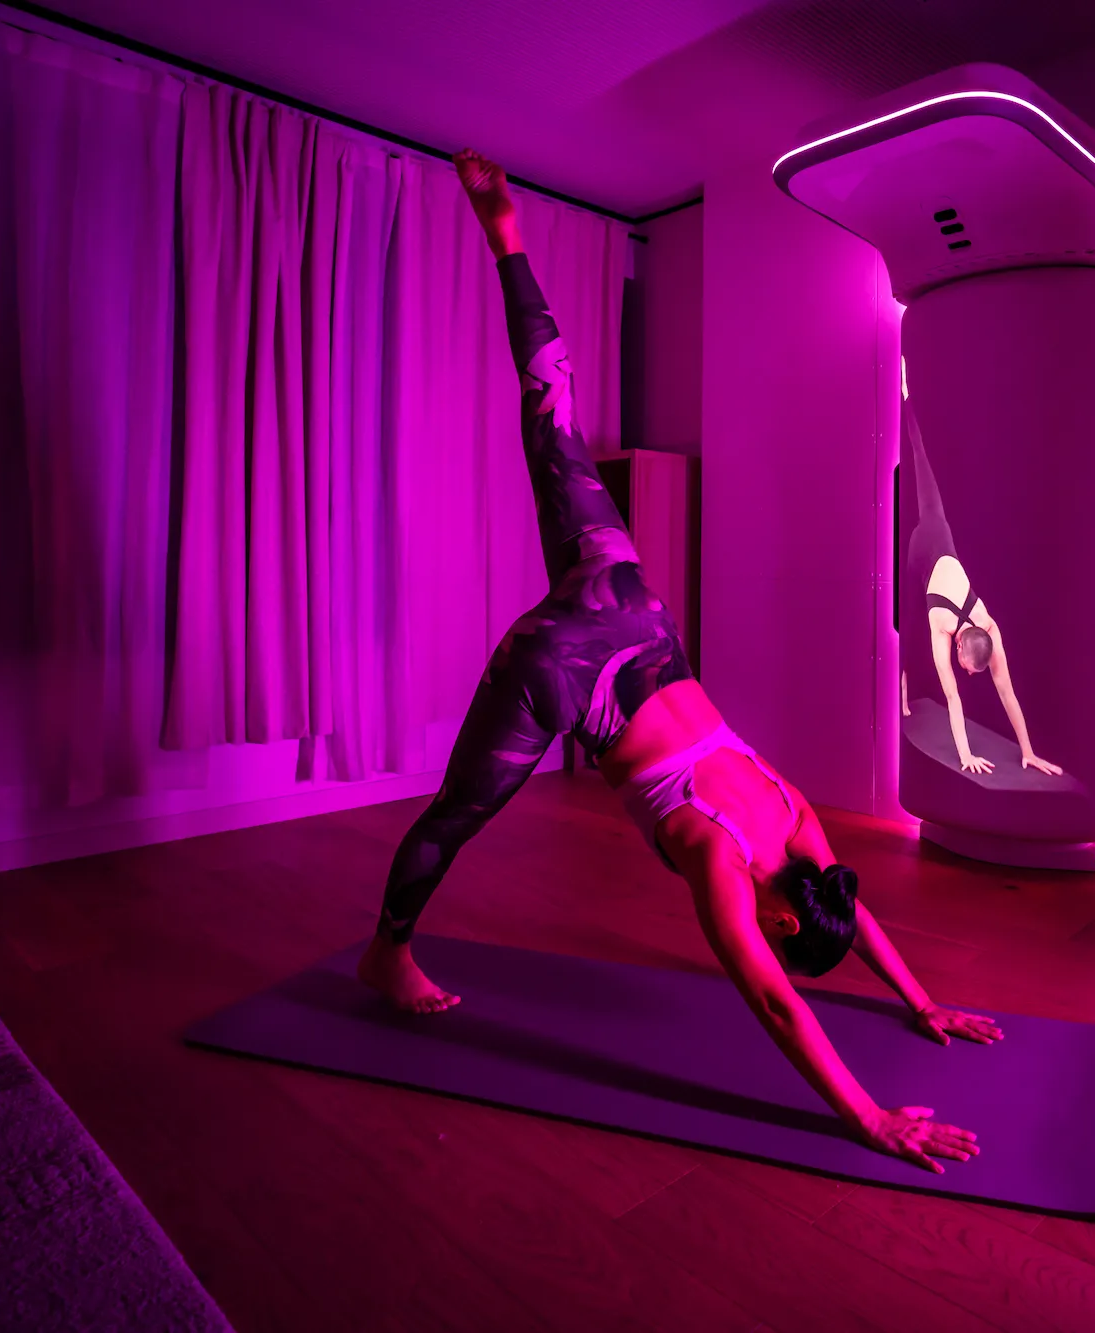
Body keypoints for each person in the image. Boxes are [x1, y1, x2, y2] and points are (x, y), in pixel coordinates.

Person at [356, 150, 999, 1175]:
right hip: (563, 668)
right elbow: (774, 1001)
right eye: (782, 927)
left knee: (549, 415)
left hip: (631, 609)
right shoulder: (718, 857)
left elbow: (850, 905)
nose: (773, 931)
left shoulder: (796, 819)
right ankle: (384, 949)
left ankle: (506, 235)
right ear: (782, 910)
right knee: (453, 815)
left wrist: (921, 1002)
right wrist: (869, 1117)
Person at [899, 404, 1064, 778]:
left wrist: (1029, 752)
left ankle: (909, 401)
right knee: (921, 461)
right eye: (969, 668)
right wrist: (965, 756)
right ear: (959, 645)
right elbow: (953, 699)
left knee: (925, 472)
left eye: (972, 670)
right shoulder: (941, 628)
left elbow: (1007, 693)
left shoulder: (989, 628)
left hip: (943, 552)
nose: (970, 676)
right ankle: (908, 399)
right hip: (924, 547)